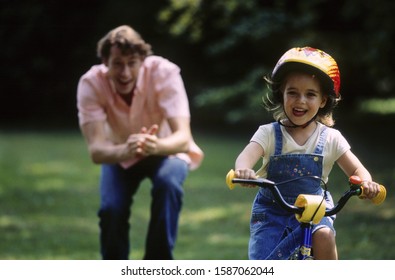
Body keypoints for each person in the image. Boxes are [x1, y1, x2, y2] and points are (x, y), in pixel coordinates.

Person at [233, 46, 381, 260]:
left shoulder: (331, 138)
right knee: (264, 261)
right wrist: (243, 170)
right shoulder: (268, 134)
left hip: (314, 210)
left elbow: (357, 169)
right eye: (292, 92)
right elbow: (246, 156)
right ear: (281, 94)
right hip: (272, 213)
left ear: (323, 101)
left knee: (325, 235)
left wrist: (366, 183)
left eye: (310, 94)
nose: (300, 100)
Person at [76, 25, 204, 260]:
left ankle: (157, 266)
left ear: (143, 60)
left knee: (168, 184)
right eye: (117, 63)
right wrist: (126, 149)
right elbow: (96, 151)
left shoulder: (164, 72)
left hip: (166, 150)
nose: (125, 72)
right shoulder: (91, 83)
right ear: (105, 62)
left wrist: (155, 146)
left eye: (132, 62)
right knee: (111, 210)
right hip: (118, 152)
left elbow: (183, 138)